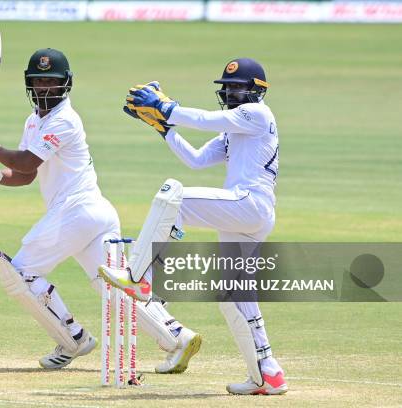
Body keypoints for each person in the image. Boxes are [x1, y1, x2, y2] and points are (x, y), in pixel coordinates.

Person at [0, 48, 201, 373]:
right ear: (29, 85)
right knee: (115, 286)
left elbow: (27, 161)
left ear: (66, 84)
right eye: (38, 81)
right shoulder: (35, 121)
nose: (44, 88)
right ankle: (178, 337)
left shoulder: (65, 121)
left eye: (51, 81)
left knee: (20, 272)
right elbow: (26, 174)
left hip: (77, 210)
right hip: (91, 214)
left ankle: (73, 339)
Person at [99, 58, 288, 394]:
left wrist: (164, 106)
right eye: (227, 87)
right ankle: (266, 373)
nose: (230, 92)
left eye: (238, 87)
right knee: (234, 295)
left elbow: (204, 118)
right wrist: (163, 127)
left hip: (250, 203)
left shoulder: (258, 115)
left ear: (257, 91)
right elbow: (197, 160)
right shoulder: (234, 128)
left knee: (176, 198)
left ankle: (141, 276)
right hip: (245, 212)